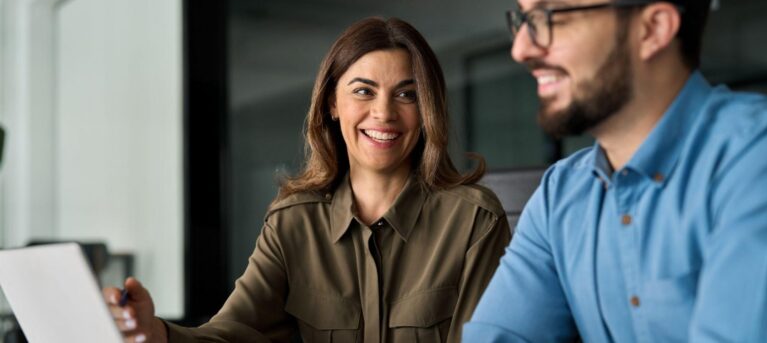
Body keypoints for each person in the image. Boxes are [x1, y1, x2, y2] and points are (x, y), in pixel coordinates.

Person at [104, 17, 511, 343]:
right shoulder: (291, 223)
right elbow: (232, 333)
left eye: (406, 95)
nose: (384, 113)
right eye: (363, 91)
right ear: (333, 103)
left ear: (427, 110)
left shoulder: (474, 220)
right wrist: (155, 333)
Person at [464, 0, 767, 342]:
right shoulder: (560, 195)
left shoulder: (753, 159)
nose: (521, 49)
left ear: (652, 30)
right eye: (524, 19)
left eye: (550, 16)